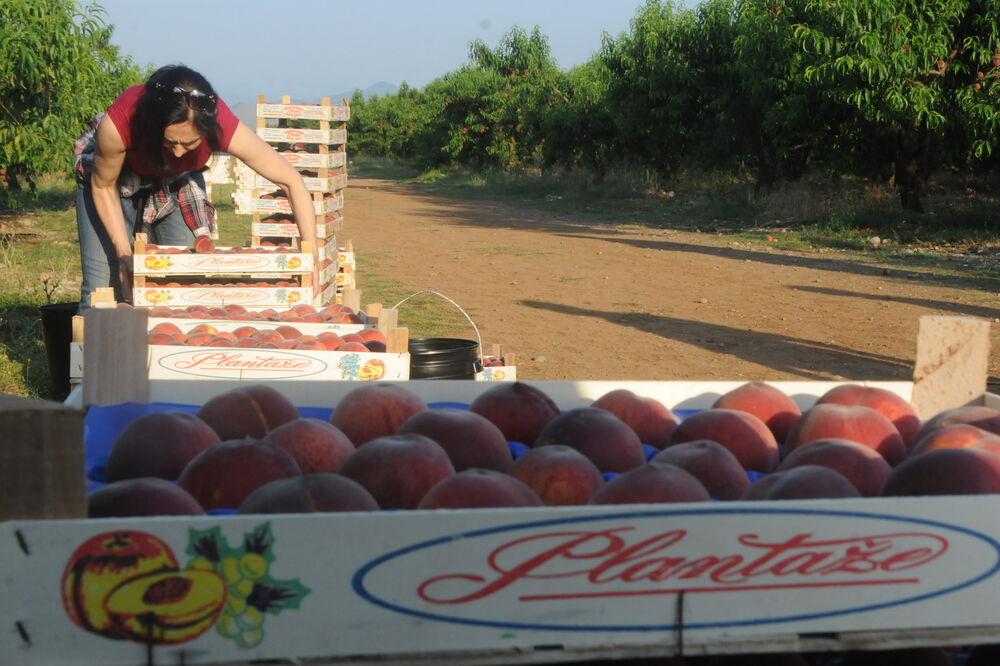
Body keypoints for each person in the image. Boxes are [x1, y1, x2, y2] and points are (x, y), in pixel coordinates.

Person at [74, 64, 318, 311]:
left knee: (184, 283)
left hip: (176, 179)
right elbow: (103, 187)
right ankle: (96, 343)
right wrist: (124, 254)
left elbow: (291, 181)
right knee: (103, 290)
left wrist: (312, 258)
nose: (179, 151)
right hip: (112, 180)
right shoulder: (121, 123)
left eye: (189, 143)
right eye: (170, 142)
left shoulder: (221, 124)